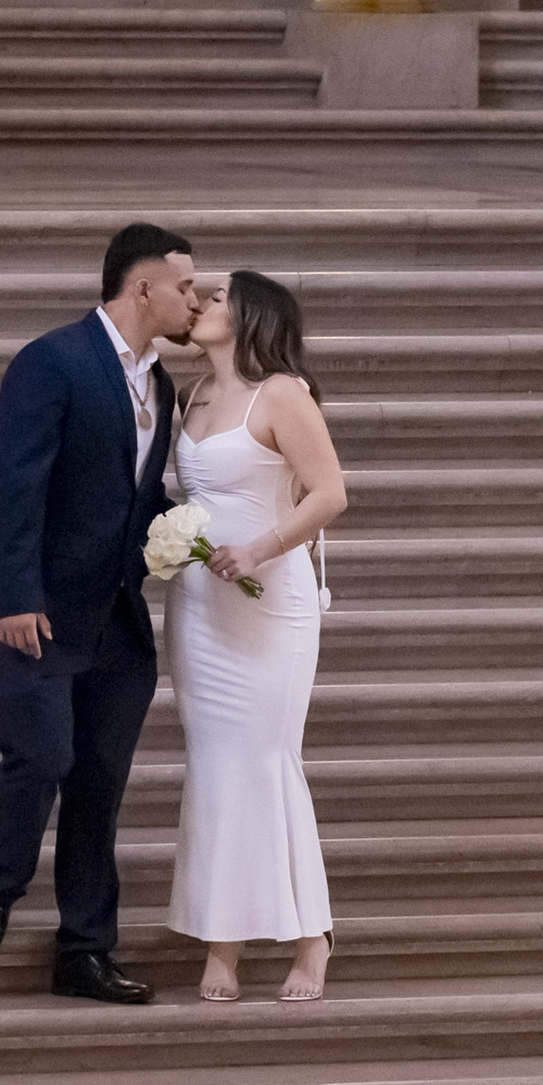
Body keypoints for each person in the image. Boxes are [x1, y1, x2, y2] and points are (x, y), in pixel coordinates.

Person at [0, 222, 199, 1004]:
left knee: (100, 786)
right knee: (43, 757)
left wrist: (203, 539)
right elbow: (18, 486)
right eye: (185, 286)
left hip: (119, 623)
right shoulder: (51, 361)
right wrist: (15, 595)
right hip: (43, 610)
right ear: (142, 288)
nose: (193, 300)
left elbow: (135, 498)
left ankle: (86, 949)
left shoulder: (160, 384)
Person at [166, 270, 349, 1002]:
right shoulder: (193, 394)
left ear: (248, 314)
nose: (200, 304)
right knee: (214, 765)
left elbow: (330, 491)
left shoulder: (281, 393)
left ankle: (312, 937)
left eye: (214, 298)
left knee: (267, 760)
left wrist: (263, 549)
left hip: (271, 601)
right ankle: (223, 942)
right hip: (201, 606)